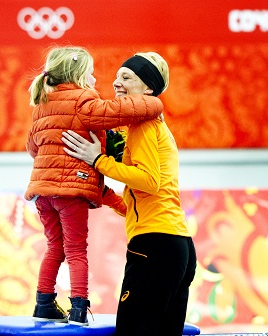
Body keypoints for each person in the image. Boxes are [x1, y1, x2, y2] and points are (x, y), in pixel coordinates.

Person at [25, 46, 164, 326]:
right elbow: (118, 111)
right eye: (90, 74)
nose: (95, 80)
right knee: (76, 249)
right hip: (70, 192)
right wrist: (155, 104)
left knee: (54, 247)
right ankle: (78, 307)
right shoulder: (84, 101)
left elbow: (32, 147)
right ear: (79, 76)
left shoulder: (41, 106)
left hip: (42, 191)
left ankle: (43, 302)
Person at [61, 52, 197, 336]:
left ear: (148, 88)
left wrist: (98, 161)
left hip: (155, 246)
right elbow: (143, 198)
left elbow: (148, 182)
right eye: (116, 76)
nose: (116, 83)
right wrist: (106, 194)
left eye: (126, 77)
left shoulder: (144, 125)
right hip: (177, 245)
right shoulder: (157, 126)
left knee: (133, 332)